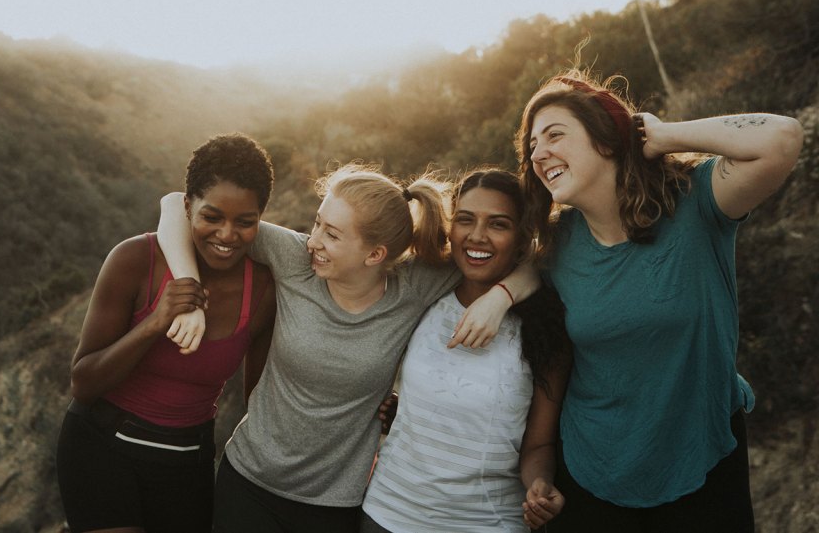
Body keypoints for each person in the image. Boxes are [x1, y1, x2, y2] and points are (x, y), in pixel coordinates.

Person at [158, 163, 540, 533]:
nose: (315, 241)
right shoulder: (296, 260)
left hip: (335, 505)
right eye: (318, 223)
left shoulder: (415, 287)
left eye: (333, 235)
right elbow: (177, 204)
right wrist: (189, 294)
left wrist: (500, 298)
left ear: (375, 255)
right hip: (249, 482)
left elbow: (533, 261)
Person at [516, 69, 804, 532]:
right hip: (591, 470)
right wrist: (500, 297)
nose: (539, 153)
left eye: (555, 135)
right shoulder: (557, 244)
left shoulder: (696, 203)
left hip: (703, 458)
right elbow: (503, 265)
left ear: (606, 141)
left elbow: (783, 137)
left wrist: (659, 135)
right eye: (532, 144)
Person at [55, 133, 278, 533]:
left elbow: (259, 401)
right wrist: (155, 322)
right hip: (102, 448)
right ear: (188, 207)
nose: (227, 235)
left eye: (245, 222)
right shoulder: (135, 260)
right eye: (212, 217)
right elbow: (83, 383)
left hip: (186, 461)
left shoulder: (263, 292)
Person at [360, 168, 571, 533]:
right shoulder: (423, 293)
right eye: (465, 220)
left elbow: (538, 445)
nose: (477, 236)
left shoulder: (546, 330)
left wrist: (540, 485)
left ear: (522, 238)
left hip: (486, 522)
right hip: (388, 512)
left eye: (498, 224)